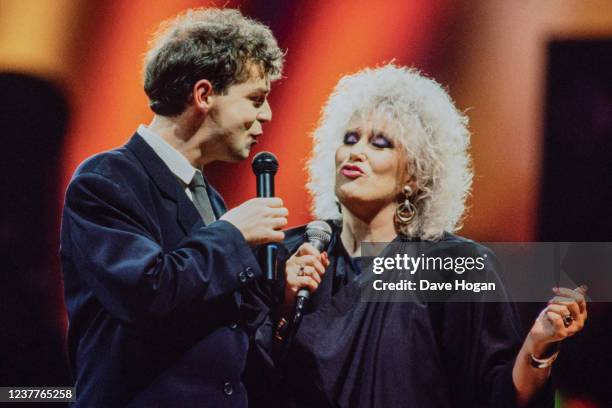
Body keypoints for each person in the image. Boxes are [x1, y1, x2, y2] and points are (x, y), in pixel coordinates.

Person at [273, 65, 588, 407]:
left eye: (380, 144)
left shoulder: (457, 266)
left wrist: (538, 346)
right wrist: (284, 305)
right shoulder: (289, 254)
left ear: (415, 176)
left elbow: (495, 395)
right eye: (350, 139)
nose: (356, 152)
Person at [60, 8, 287, 407]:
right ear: (203, 95)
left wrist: (282, 289)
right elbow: (148, 291)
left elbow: (220, 320)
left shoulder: (209, 198)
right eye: (256, 98)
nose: (266, 115)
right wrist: (233, 235)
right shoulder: (106, 180)